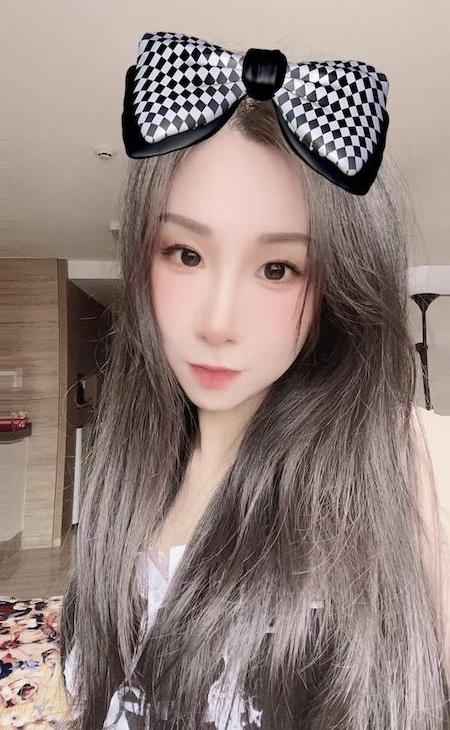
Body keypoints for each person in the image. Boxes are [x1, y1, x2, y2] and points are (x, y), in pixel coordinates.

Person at [58, 57, 449, 730]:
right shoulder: (130, 469)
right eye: (185, 254)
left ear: (336, 285)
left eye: (277, 268)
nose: (217, 323)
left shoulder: (413, 461)